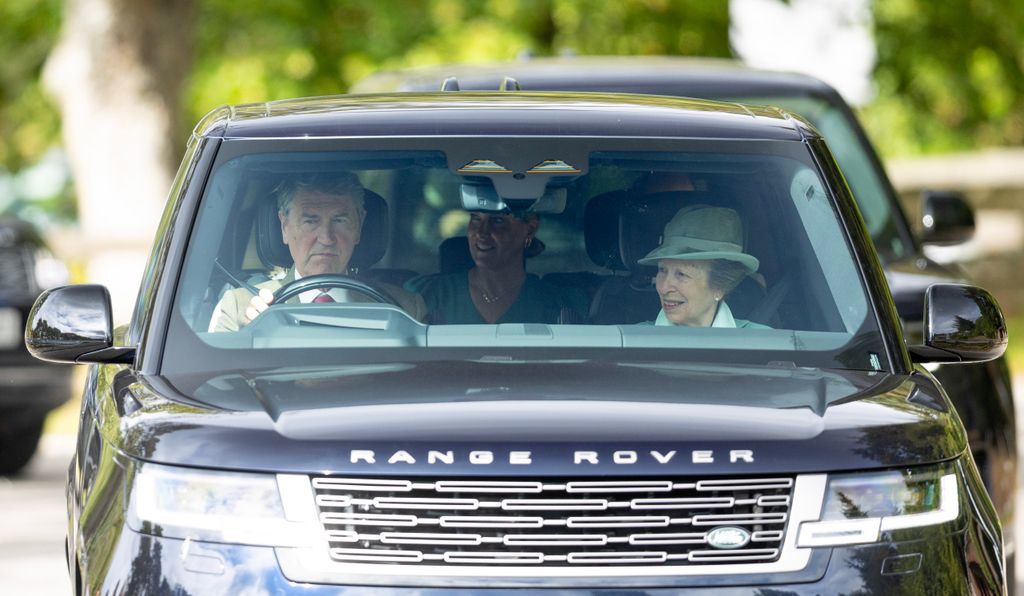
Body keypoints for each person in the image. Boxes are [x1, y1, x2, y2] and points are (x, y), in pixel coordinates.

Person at [210, 172, 425, 332]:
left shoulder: (403, 310)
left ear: (359, 226)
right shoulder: (241, 307)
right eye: (310, 221)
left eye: (339, 220)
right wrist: (252, 337)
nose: (326, 238)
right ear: (284, 227)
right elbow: (220, 389)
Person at [405, 210, 587, 324]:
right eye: (475, 218)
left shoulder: (563, 305)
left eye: (498, 220)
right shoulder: (424, 295)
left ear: (530, 229)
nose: (481, 232)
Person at [637, 204, 767, 328]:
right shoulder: (632, 344)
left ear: (720, 286)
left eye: (681, 274)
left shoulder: (765, 343)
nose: (663, 288)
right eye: (662, 270)